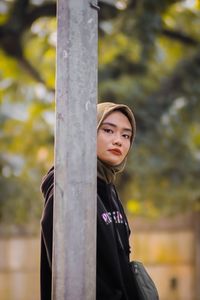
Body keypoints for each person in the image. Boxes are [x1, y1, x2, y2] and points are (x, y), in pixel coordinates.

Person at [40, 102, 138, 300]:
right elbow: (68, 272)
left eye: (126, 135)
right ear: (87, 132)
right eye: (108, 130)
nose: (118, 141)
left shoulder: (108, 188)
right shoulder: (68, 186)